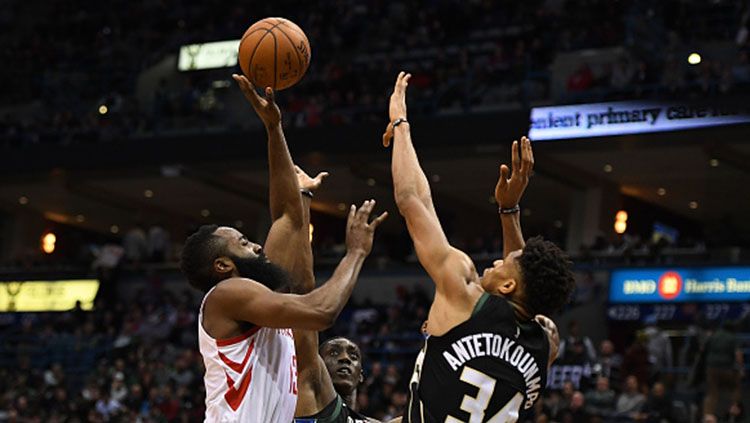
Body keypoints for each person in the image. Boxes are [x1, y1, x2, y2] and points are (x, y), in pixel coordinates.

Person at [180, 74, 385, 422]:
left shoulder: (260, 303)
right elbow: (321, 311)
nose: (257, 246)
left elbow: (288, 219)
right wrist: (356, 253)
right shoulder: (227, 294)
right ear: (223, 266)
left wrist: (274, 129)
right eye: (243, 243)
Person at [383, 72, 575, 422]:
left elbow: (412, 200)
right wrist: (509, 211)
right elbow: (520, 295)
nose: (497, 262)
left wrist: (400, 123)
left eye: (506, 262)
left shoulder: (462, 293)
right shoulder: (544, 343)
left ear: (508, 285)